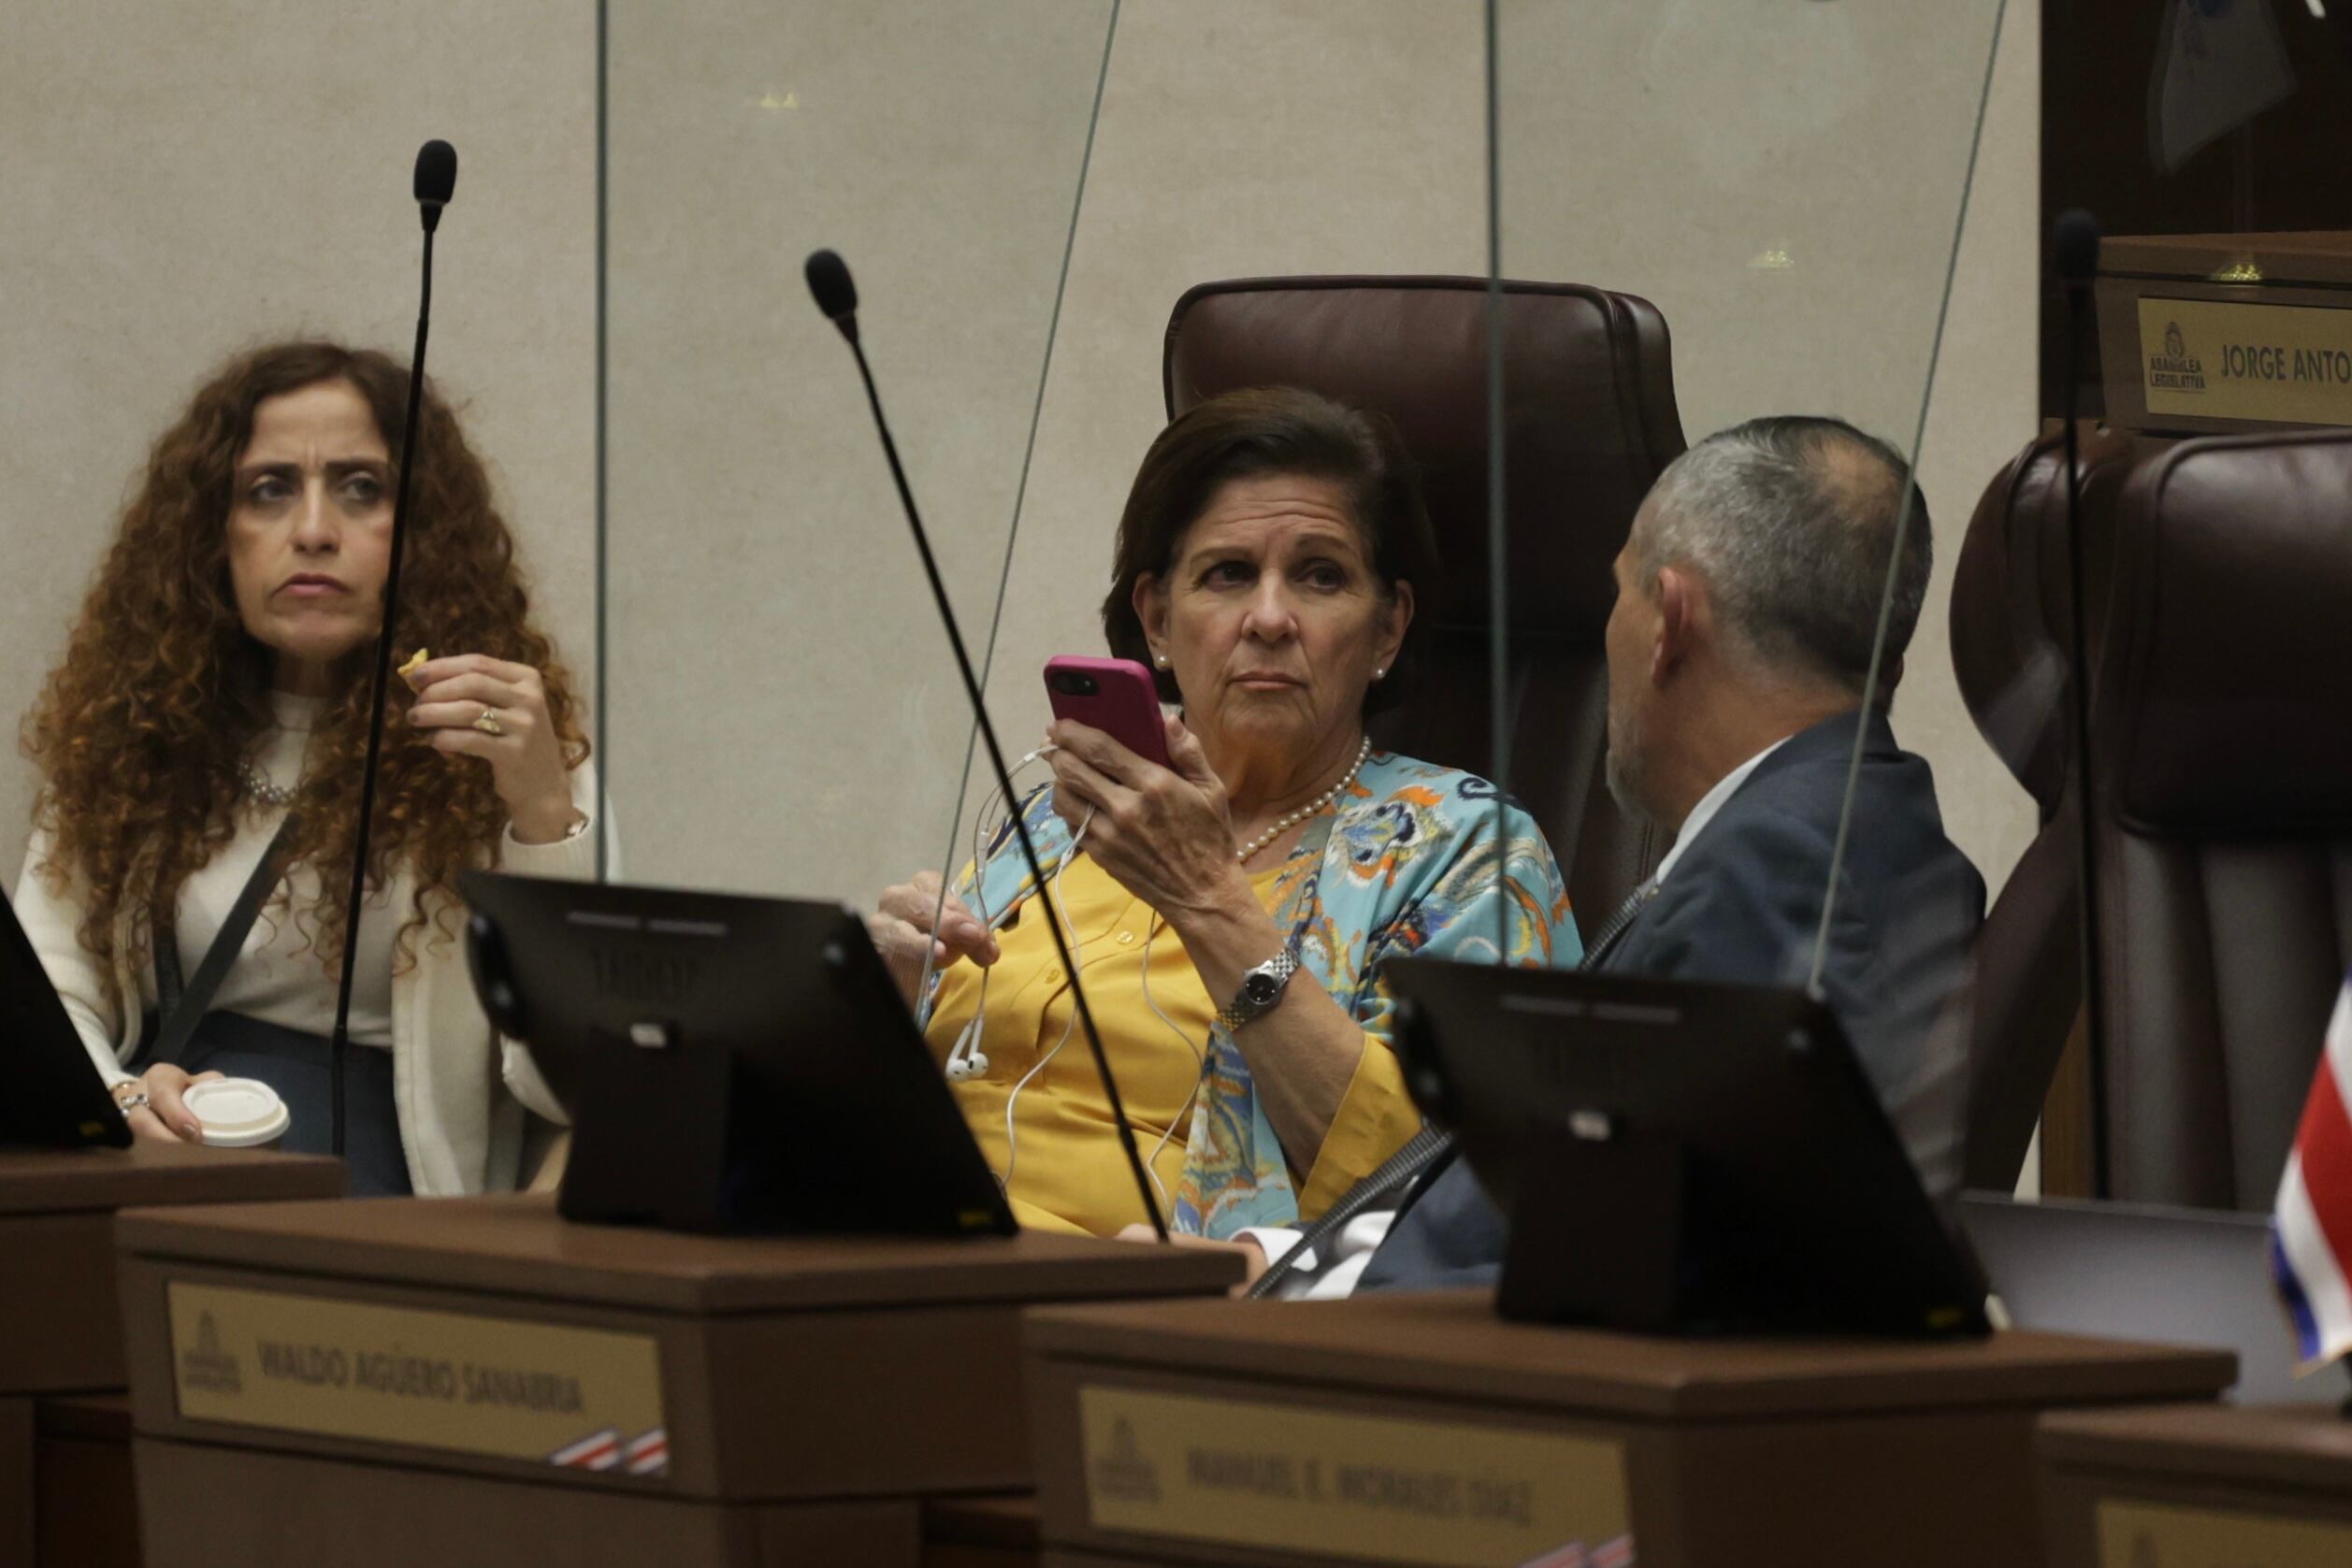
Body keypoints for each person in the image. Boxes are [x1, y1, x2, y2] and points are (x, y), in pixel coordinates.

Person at [1269, 415, 1987, 1296]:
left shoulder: (1779, 866)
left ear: (1670, 622)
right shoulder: (1853, 823)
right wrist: (1280, 1260)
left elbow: (1648, 1265)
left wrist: (1307, 1301)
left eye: (1619, 591)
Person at [869, 387, 1577, 1240]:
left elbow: (1451, 1199)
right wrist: (887, 1004)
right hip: (888, 1238)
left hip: (1150, 1312)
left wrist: (1209, 898)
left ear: (1386, 630)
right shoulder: (1060, 821)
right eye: (1227, 573)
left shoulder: (1467, 847)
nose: (1270, 618)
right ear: (1158, 620)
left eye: (1320, 575)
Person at [13, 340, 598, 1196]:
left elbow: (577, 1084)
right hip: (156, 1173)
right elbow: (43, 991)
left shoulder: (505, 743)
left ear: (424, 532)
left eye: (362, 488)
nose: (314, 530)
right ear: (213, 536)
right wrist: (122, 1100)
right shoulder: (131, 732)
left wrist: (543, 814)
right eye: (269, 489)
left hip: (398, 1199)